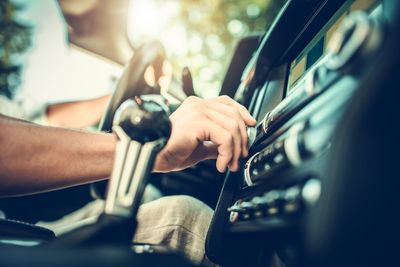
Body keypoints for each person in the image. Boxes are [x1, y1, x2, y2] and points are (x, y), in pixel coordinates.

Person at [0, 95, 257, 266]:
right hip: (15, 246)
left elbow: (42, 121)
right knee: (183, 220)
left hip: (16, 233)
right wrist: (147, 149)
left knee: (148, 196)